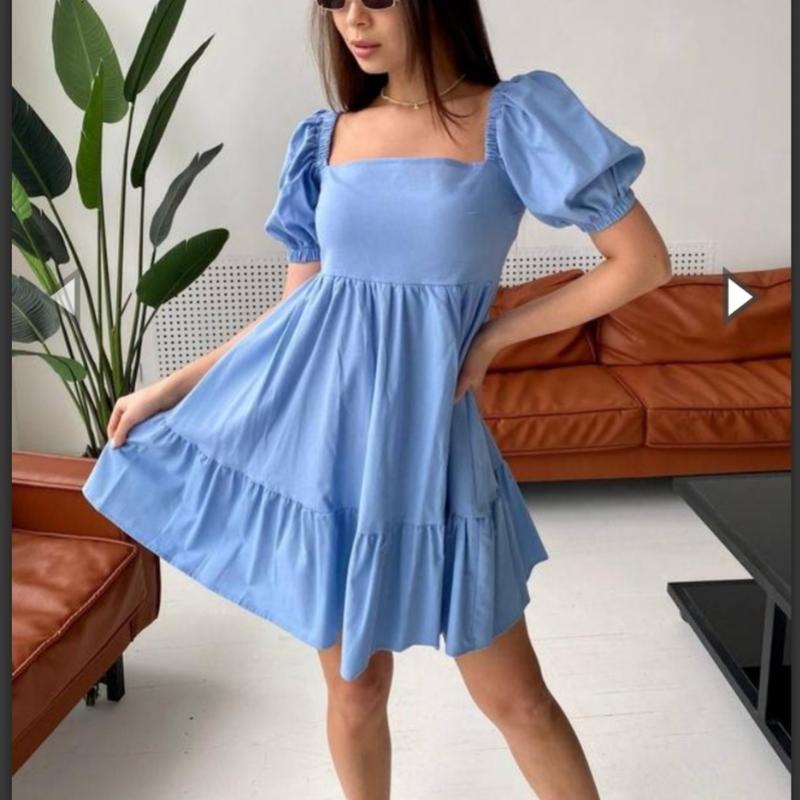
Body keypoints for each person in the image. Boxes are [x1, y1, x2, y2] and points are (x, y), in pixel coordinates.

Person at [82, 1, 671, 797]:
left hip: (436, 448)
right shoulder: (325, 137)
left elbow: (641, 261)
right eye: (336, 1)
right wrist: (173, 385)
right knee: (356, 692)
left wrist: (495, 338)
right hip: (331, 447)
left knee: (517, 699)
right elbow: (297, 311)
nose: (353, 20)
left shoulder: (512, 118)